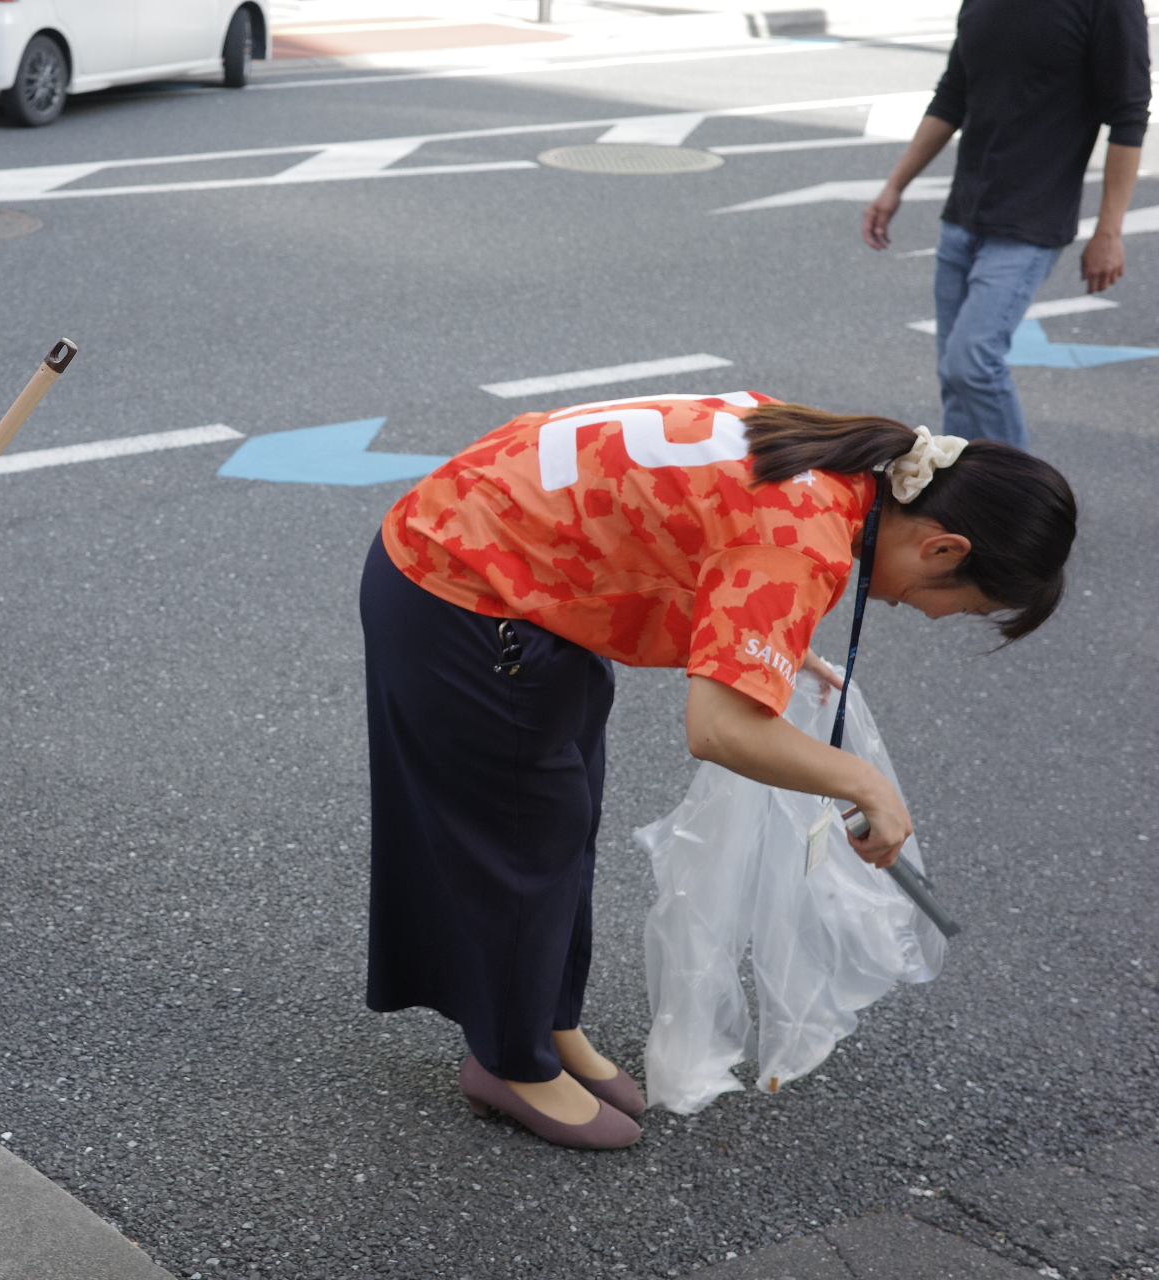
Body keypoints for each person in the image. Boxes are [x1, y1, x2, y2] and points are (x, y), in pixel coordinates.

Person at [362, 392, 1075, 1149]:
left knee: (563, 822)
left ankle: (546, 1021)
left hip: (520, 574)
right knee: (519, 837)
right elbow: (720, 730)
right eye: (958, 605)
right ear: (944, 549)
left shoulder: (832, 466)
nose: (932, 616)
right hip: (461, 588)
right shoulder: (802, 542)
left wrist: (768, 633)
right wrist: (864, 784)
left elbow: (713, 528)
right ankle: (508, 1061)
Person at [862, 0, 1149, 450]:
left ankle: (1027, 502)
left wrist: (1109, 231)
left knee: (971, 364)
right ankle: (961, 502)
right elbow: (952, 95)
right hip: (965, 212)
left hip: (1031, 220)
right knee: (954, 379)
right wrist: (896, 184)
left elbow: (1129, 117)